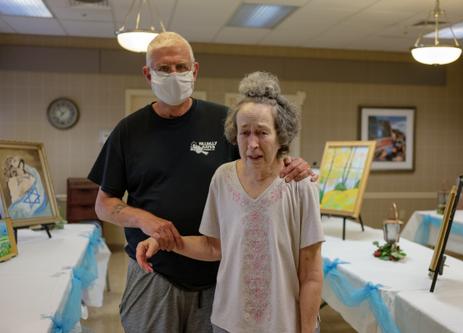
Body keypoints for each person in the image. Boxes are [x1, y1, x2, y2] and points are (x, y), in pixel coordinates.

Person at [88, 32, 314, 333]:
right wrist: (146, 220)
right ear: (147, 74)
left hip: (220, 274)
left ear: (195, 71)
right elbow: (104, 204)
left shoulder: (225, 123)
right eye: (163, 69)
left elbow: (262, 165)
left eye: (181, 67)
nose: (174, 75)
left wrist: (293, 164)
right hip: (155, 271)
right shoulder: (128, 131)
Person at [137, 71, 324, 333]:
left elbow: (311, 274)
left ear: (282, 136)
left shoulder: (300, 185)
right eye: (244, 132)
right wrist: (162, 240)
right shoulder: (223, 178)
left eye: (262, 132)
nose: (252, 144)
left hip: (284, 324)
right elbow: (213, 247)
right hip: (229, 323)